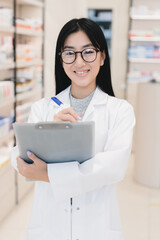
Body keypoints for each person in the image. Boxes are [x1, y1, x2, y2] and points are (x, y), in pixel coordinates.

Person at [11, 18, 135, 240]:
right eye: (70, 53)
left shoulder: (120, 111)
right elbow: (18, 155)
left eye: (88, 51)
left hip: (96, 228)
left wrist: (49, 174)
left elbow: (113, 167)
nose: (79, 62)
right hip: (49, 228)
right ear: (61, 59)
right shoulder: (43, 108)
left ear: (103, 56)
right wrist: (48, 133)